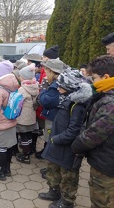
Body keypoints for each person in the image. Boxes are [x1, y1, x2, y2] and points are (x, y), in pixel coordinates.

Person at [39, 68, 92, 208]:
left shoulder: (77, 105)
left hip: (67, 146)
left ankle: (67, 201)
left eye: (61, 85)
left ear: (70, 87)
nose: (58, 88)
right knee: (53, 169)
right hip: (57, 142)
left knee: (68, 176)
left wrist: (55, 139)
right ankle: (54, 191)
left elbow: (73, 130)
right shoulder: (66, 98)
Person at [72, 55, 114, 208]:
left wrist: (77, 145)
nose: (93, 82)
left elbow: (95, 133)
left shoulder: (110, 102)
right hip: (107, 159)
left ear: (106, 77)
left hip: (106, 164)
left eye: (94, 78)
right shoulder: (106, 96)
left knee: (101, 201)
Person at [15, 63, 39, 164]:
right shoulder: (35, 86)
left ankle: (25, 156)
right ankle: (28, 152)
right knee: (28, 135)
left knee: (24, 136)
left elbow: (17, 102)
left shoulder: (22, 89)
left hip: (23, 118)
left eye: (20, 76)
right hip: (31, 116)